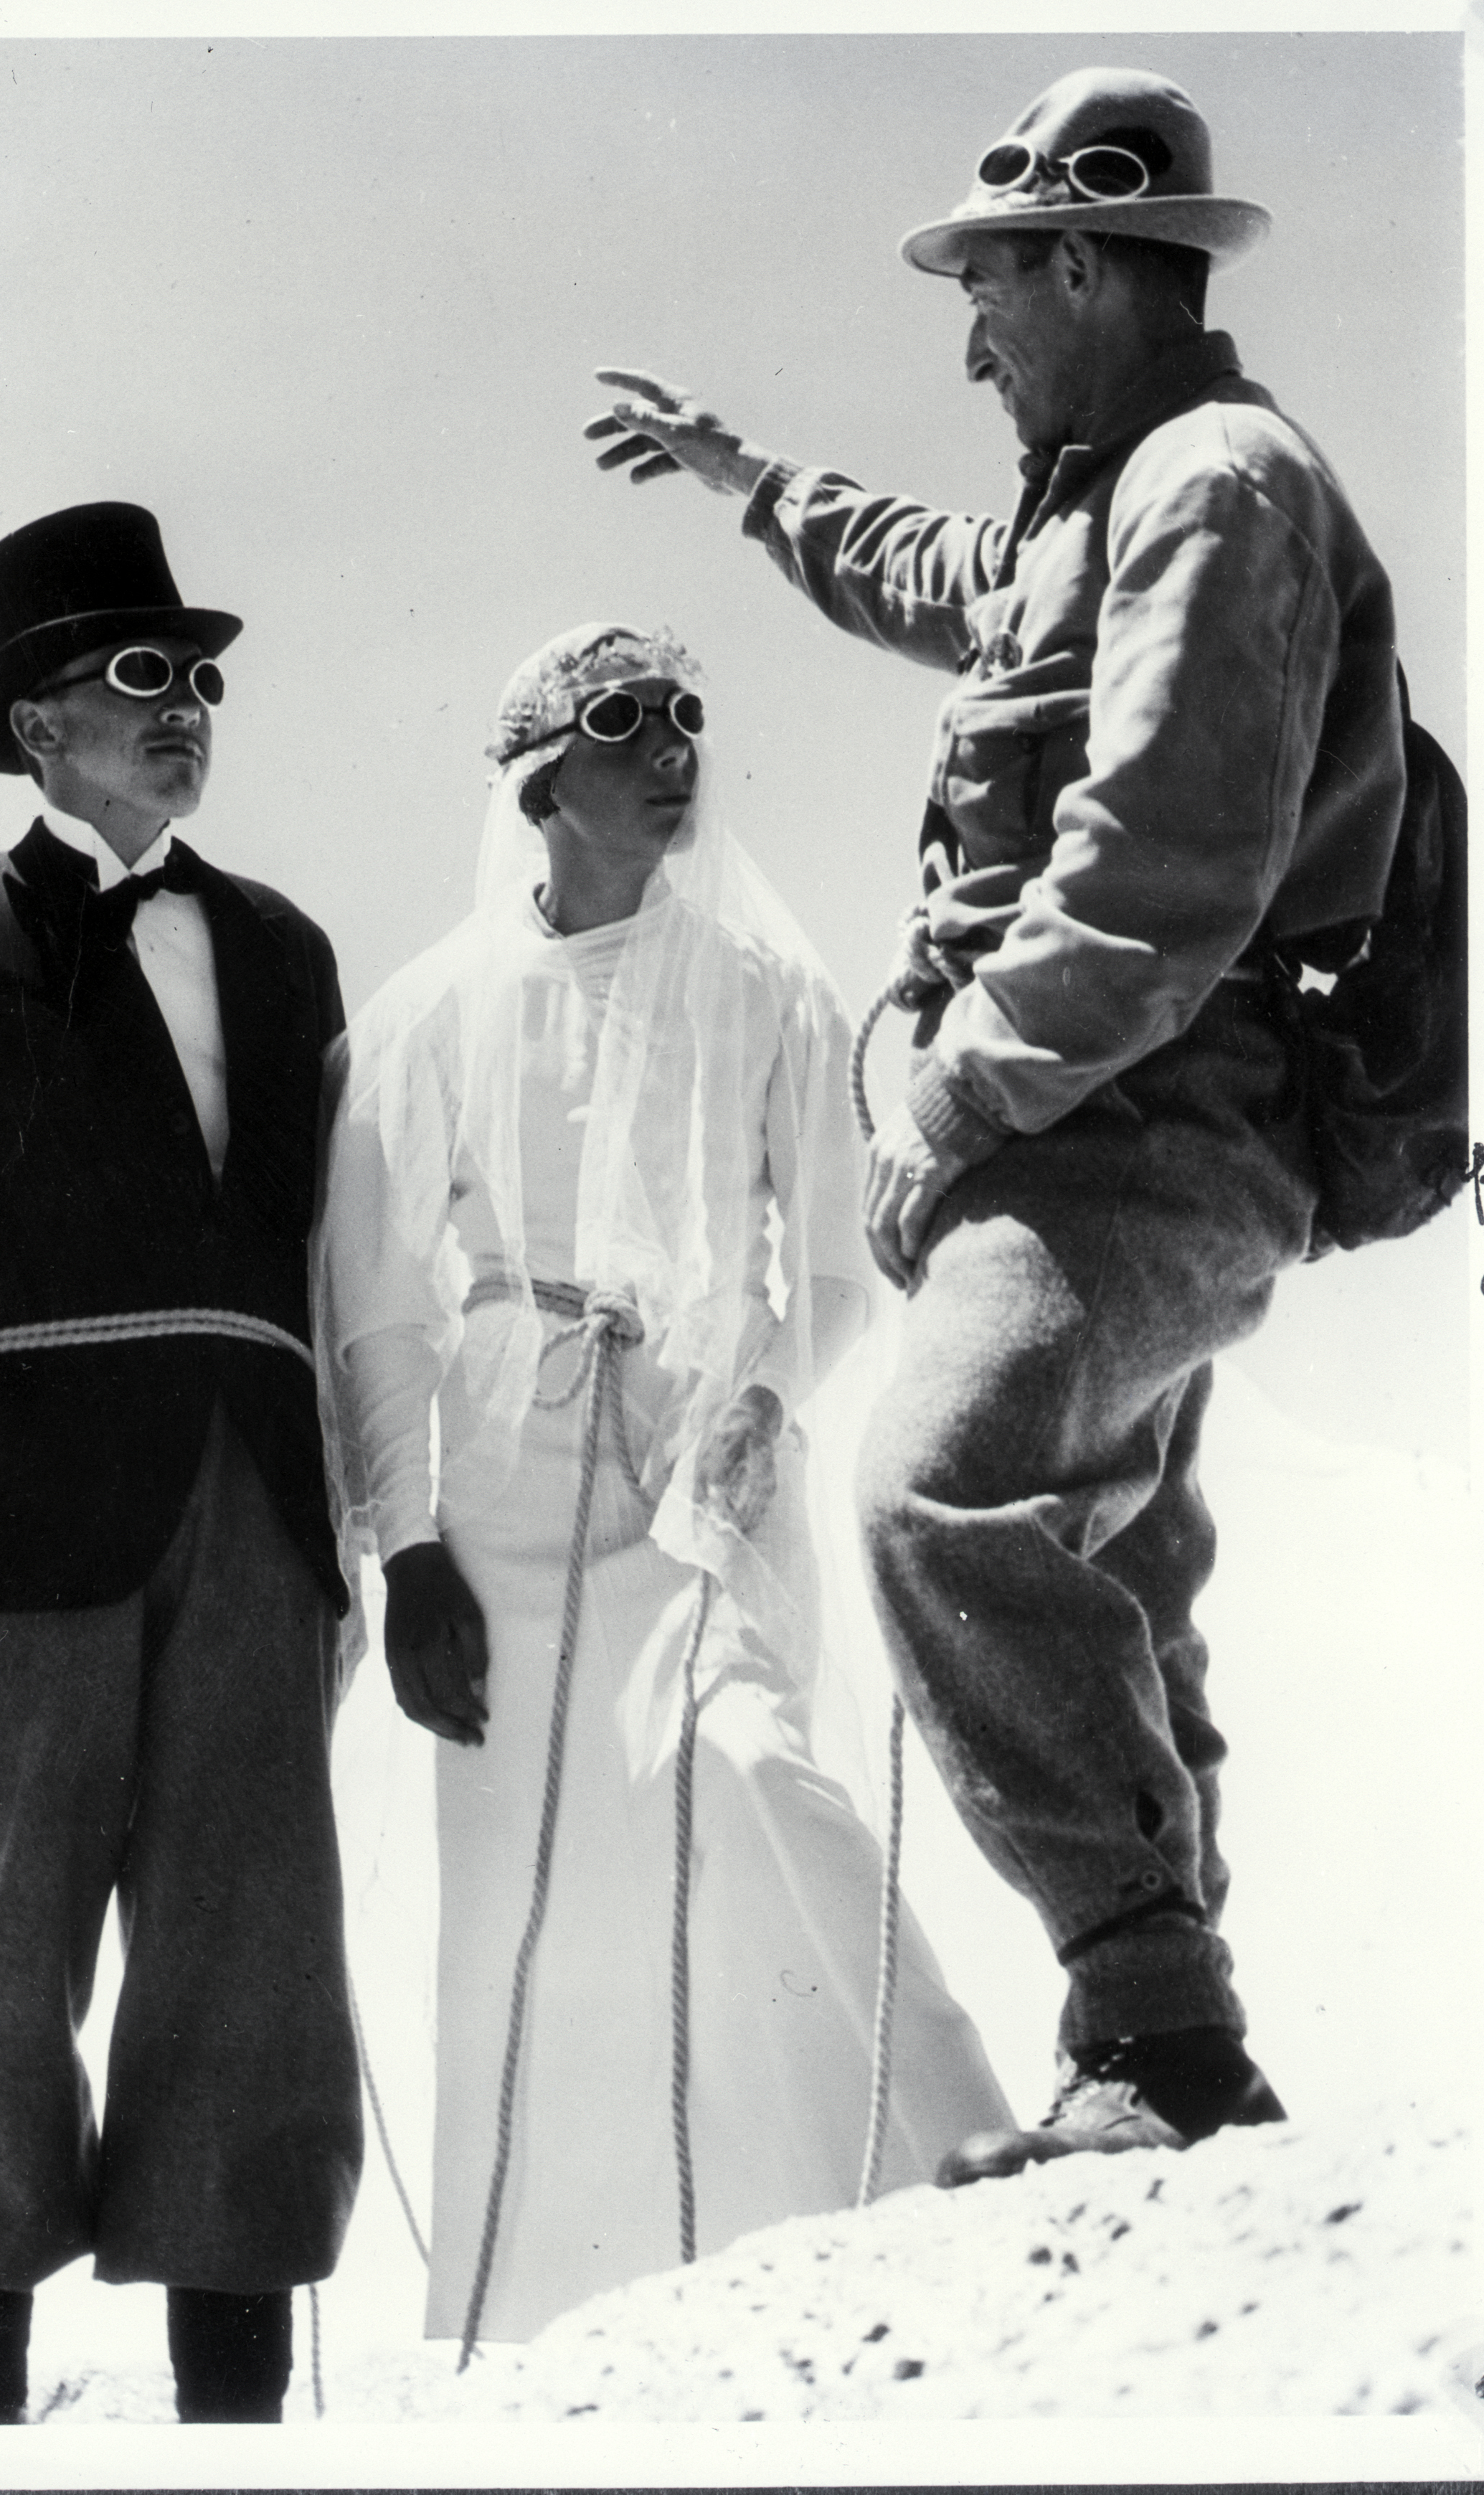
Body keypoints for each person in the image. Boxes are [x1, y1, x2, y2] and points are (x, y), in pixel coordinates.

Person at [585, 68, 1407, 2177]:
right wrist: (746, 479)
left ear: (1082, 262)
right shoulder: (1095, 500)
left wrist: (946, 1097)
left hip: (1144, 1110)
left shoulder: (1211, 487)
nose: (967, 340)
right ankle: (1170, 2057)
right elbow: (931, 571)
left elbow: (1160, 866)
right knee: (1112, 1557)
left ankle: (1153, 2015)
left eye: (985, 287)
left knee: (938, 1492)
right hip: (1096, 1110)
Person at [314, 621, 1009, 2342]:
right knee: (530, 1893)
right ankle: (537, 2317)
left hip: (708, 1446)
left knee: (752, 1763)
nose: (672, 746)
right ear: (538, 778)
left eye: (687, 714)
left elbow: (834, 1267)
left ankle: (961, 2175)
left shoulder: (771, 989)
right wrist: (407, 1549)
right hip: (496, 1475)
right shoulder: (428, 1008)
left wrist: (764, 1398)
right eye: (623, 720)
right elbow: (380, 1305)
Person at [0, 503, 361, 2422]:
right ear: (37, 722)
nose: (184, 703)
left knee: (254, 1963)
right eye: (142, 673)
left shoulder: (285, 947)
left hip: (255, 1502)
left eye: (200, 674)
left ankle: (233, 2439)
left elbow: (332, 1256)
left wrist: (344, 1539)